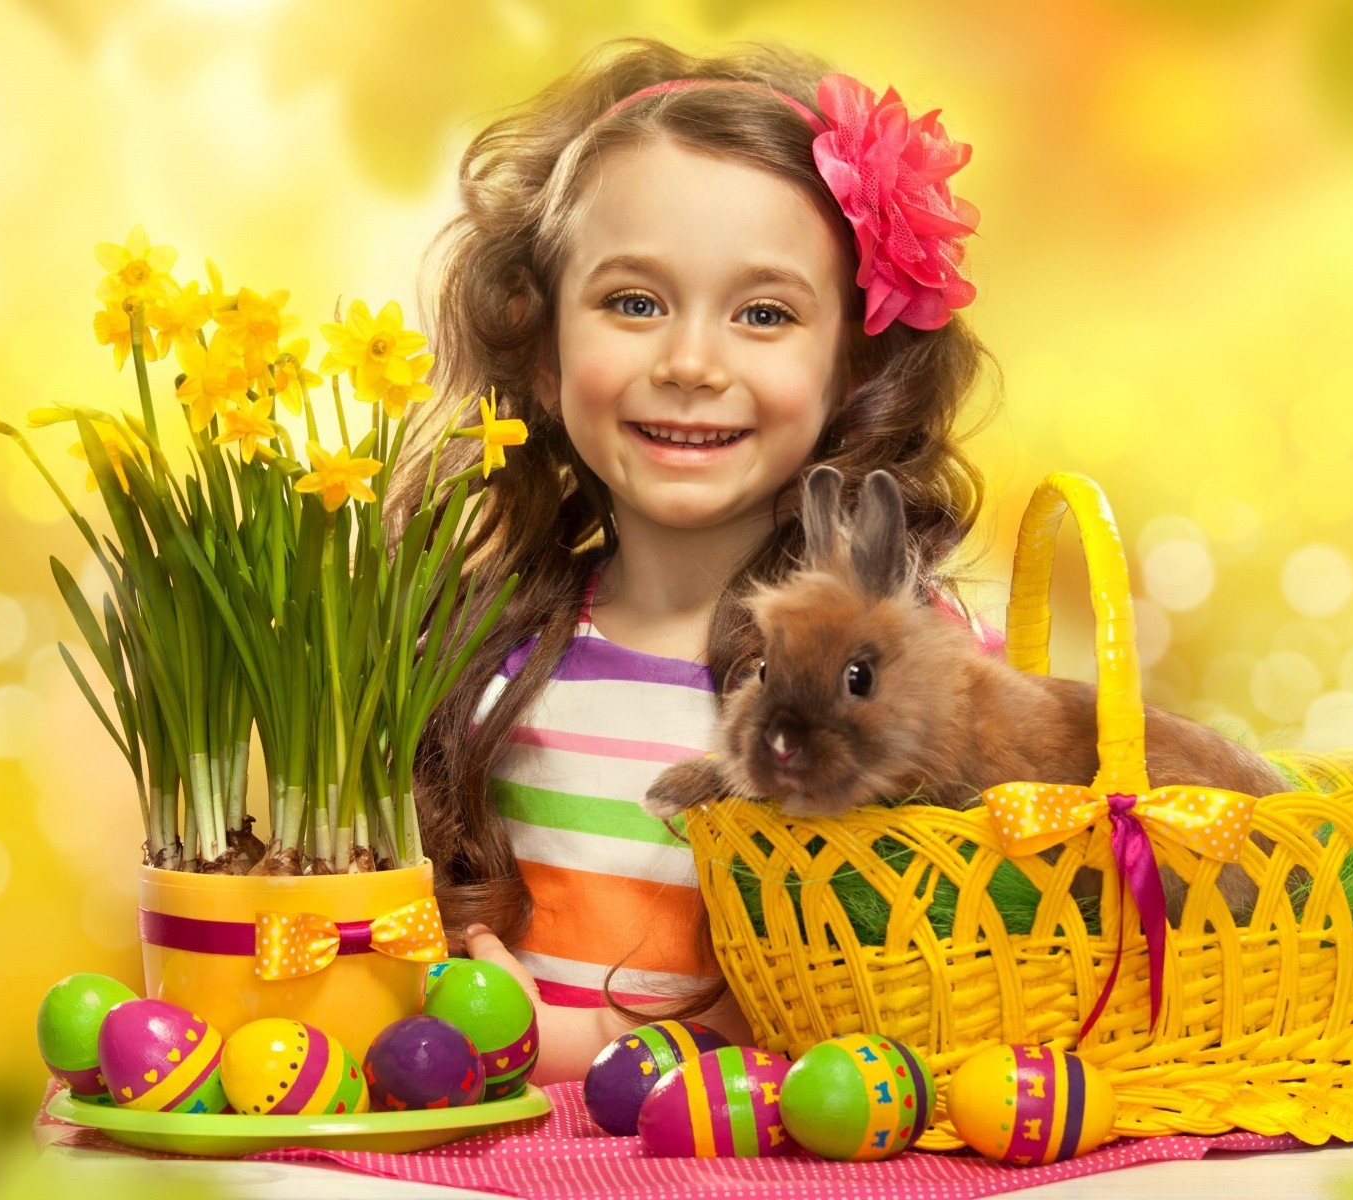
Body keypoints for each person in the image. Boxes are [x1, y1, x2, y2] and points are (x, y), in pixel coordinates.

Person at [385, 37, 1001, 1085]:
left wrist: (589, 1049)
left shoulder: (895, 669)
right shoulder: (490, 654)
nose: (690, 363)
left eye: (764, 314)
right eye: (634, 302)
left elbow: (921, 979)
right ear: (539, 347)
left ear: (853, 362)